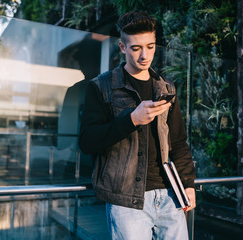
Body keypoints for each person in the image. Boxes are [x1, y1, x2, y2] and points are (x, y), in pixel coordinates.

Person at [79, 11, 196, 240]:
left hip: (170, 196)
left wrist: (188, 184)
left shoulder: (166, 88)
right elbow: (87, 141)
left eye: (150, 46)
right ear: (123, 47)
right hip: (126, 200)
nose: (145, 55)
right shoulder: (101, 87)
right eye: (136, 48)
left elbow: (179, 142)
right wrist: (131, 120)